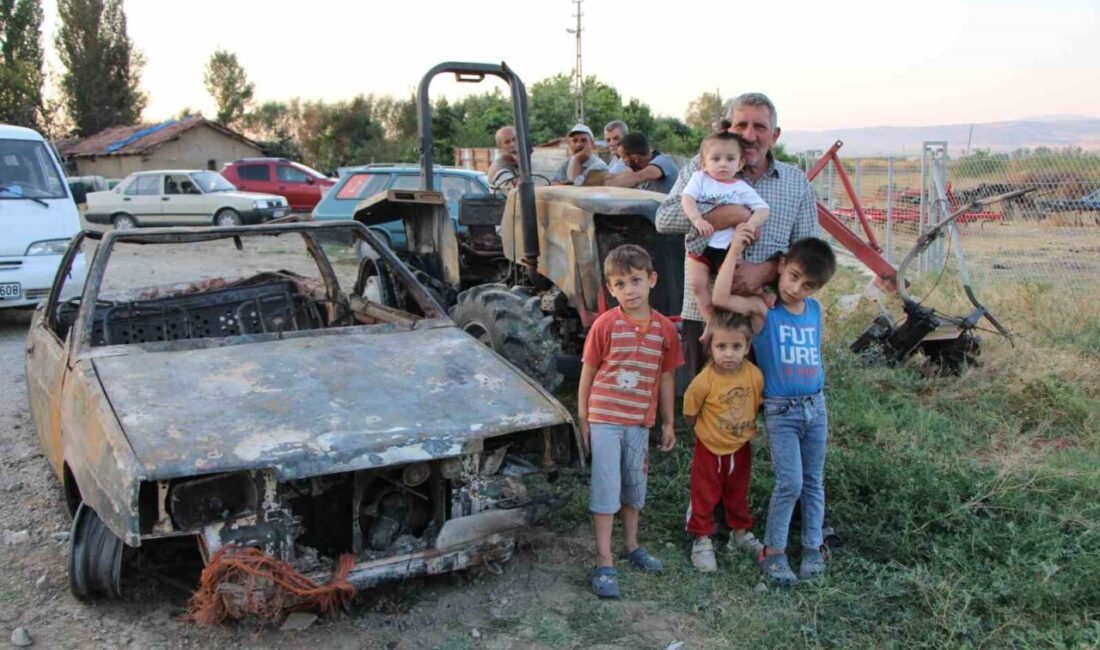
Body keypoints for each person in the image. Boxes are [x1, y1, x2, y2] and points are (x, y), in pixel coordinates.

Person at [655, 93, 819, 378]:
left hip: (768, 315)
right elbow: (664, 219)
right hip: (705, 316)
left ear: (775, 135)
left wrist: (768, 271)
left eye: (759, 127)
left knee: (767, 402)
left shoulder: (796, 183)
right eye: (741, 125)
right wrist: (727, 215)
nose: (749, 135)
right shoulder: (705, 165)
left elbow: (809, 252)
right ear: (728, 127)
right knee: (710, 405)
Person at [713, 234, 837, 586]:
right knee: (791, 482)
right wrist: (736, 248)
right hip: (782, 411)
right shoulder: (763, 308)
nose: (797, 289)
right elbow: (721, 297)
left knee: (814, 481)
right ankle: (774, 551)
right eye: (794, 276)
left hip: (816, 406)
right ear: (781, 267)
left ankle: (812, 546)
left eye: (809, 285)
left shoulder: (814, 311)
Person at [578, 244, 684, 599]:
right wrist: (583, 418)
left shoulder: (664, 330)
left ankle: (632, 545)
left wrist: (668, 423)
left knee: (634, 488)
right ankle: (604, 559)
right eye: (620, 284)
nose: (630, 290)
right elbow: (589, 372)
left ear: (652, 280)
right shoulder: (604, 326)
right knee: (606, 488)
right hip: (605, 419)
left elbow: (666, 377)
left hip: (640, 422)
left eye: (636, 280)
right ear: (611, 289)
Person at [682, 308, 765, 573]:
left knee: (738, 492)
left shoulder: (754, 375)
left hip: (740, 447)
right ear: (710, 347)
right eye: (721, 346)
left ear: (747, 347)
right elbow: (690, 412)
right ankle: (701, 539)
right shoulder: (704, 381)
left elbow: (757, 404)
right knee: (704, 493)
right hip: (709, 448)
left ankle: (739, 534)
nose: (728, 353)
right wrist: (706, 432)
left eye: (736, 346)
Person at [681, 122, 771, 324]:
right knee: (697, 284)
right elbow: (686, 198)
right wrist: (697, 218)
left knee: (732, 286)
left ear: (739, 164)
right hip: (701, 246)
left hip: (729, 250)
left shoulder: (741, 187)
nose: (723, 164)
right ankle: (710, 324)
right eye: (716, 159)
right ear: (704, 163)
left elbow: (763, 209)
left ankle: (760, 294)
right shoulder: (700, 178)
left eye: (730, 159)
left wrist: (751, 223)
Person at [604, 132, 680, 194]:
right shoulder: (639, 166)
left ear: (634, 158)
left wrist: (605, 187)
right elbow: (618, 177)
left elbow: (636, 178)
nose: (622, 161)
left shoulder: (662, 162)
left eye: (623, 157)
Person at [488, 126, 520, 191]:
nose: (512, 144)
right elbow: (515, 191)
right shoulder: (498, 167)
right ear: (500, 147)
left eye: (514, 139)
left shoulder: (518, 164)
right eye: (507, 142)